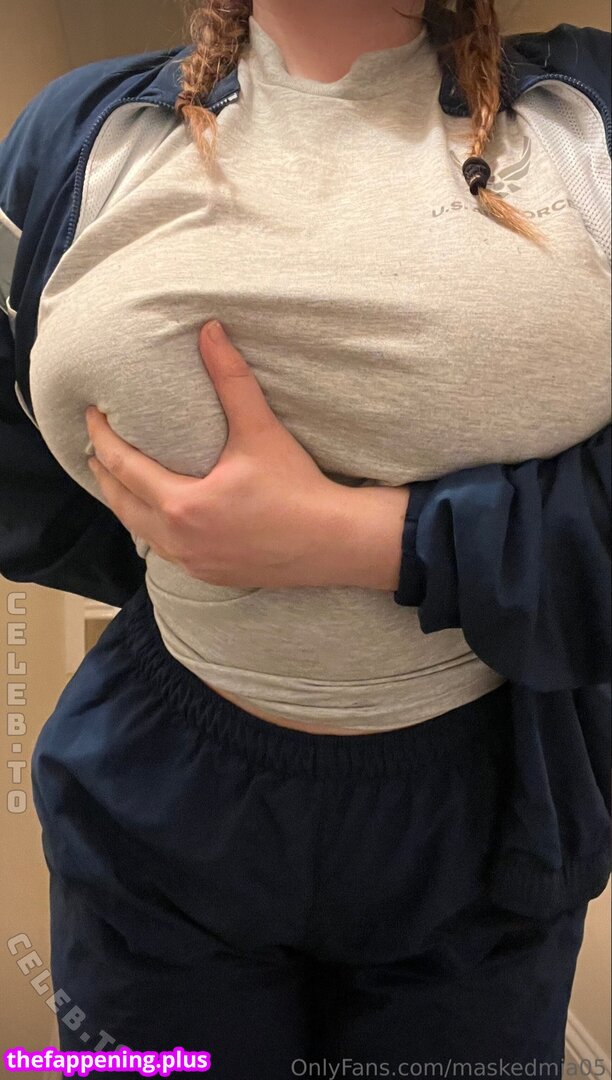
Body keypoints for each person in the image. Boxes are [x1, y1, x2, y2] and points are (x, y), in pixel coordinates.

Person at [0, 0, 610, 1075]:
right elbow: (18, 471)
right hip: (153, 793)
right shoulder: (73, 136)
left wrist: (370, 540)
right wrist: (189, 560)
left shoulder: (590, 119)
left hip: (490, 805)